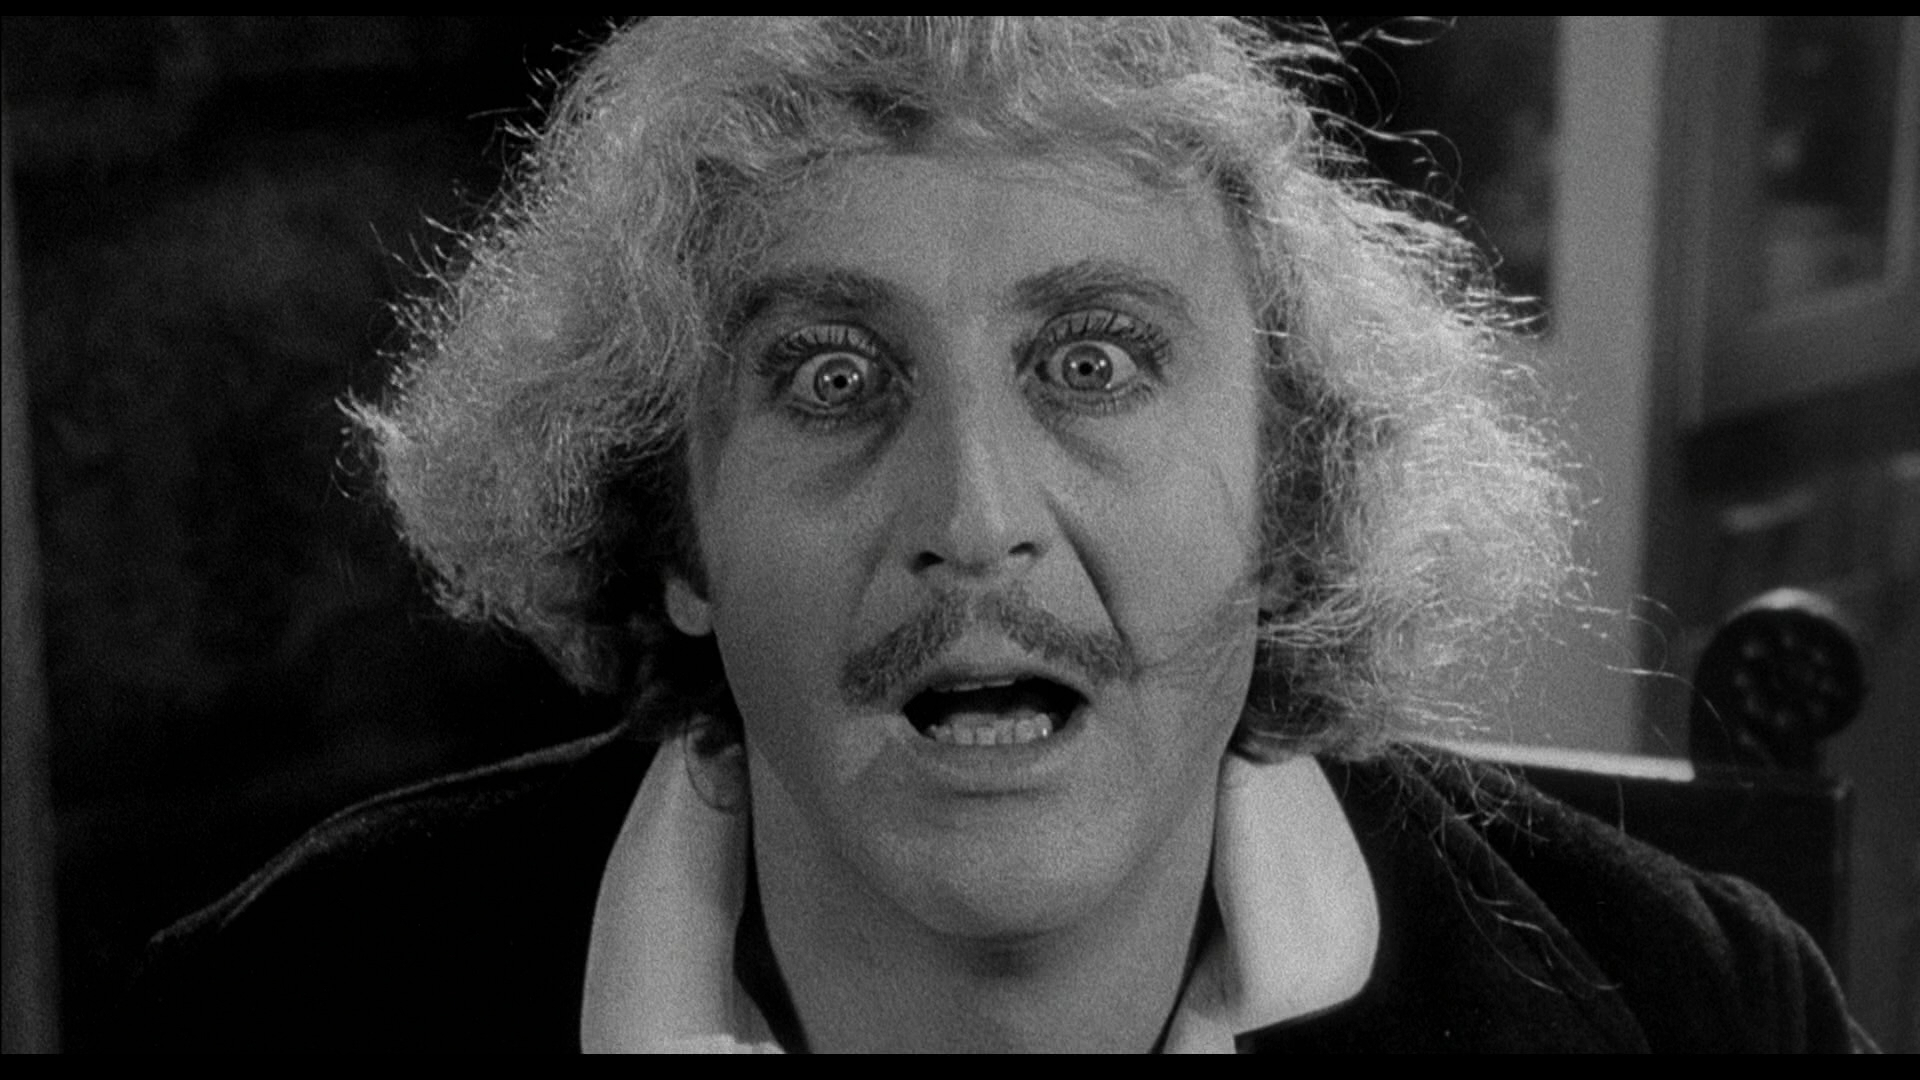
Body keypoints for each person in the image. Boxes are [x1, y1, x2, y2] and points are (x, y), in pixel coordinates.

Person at [133, 17, 1865, 1052]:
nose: (973, 521)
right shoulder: (275, 1008)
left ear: (1292, 487)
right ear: (676, 532)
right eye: (831, 377)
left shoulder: (1699, 1013)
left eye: (1092, 363)